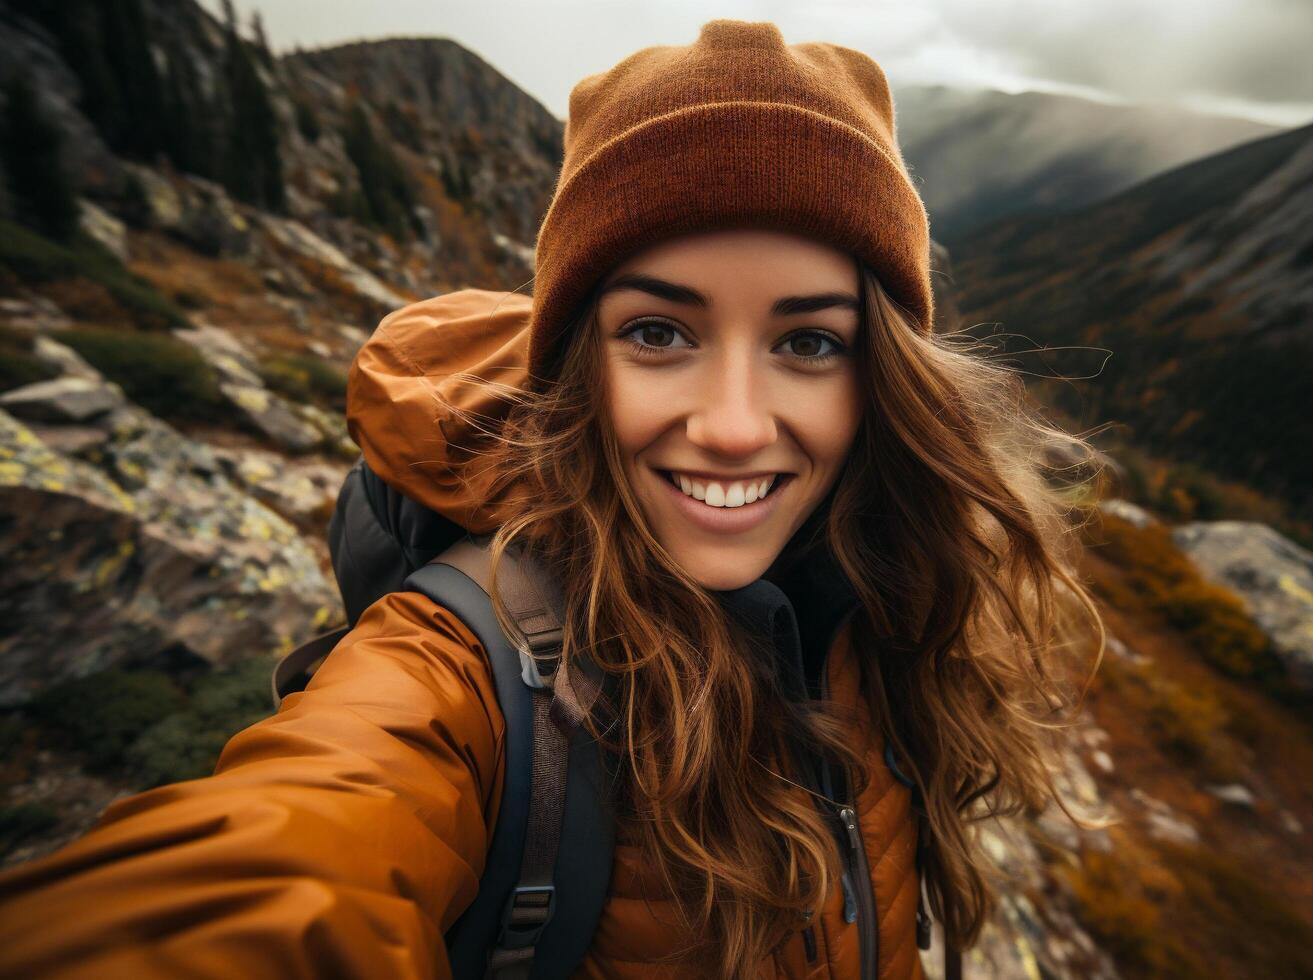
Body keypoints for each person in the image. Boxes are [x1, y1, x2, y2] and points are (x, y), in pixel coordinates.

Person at [0, 18, 1106, 980]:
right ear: (582, 360)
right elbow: (283, 856)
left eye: (809, 341)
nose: (731, 422)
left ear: (883, 380)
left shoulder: (888, 585)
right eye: (658, 332)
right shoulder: (463, 667)